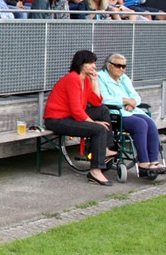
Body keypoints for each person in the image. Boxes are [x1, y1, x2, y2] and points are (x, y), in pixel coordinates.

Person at [43, 50, 116, 186]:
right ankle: (95, 172)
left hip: (71, 116)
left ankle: (105, 149)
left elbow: (97, 102)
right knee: (99, 129)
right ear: (81, 64)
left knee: (103, 110)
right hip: (57, 120)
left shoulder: (85, 80)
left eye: (94, 63)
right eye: (91, 63)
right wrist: (94, 123)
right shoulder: (73, 79)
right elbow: (76, 111)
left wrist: (94, 81)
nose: (94, 66)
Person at [98, 53, 166, 178]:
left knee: (150, 123)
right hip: (114, 112)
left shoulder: (124, 78)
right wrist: (125, 101)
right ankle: (143, 163)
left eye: (124, 66)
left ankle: (154, 161)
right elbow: (104, 98)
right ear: (108, 65)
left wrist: (133, 103)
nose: (121, 69)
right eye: (118, 66)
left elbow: (136, 96)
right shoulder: (101, 77)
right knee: (140, 124)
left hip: (130, 111)